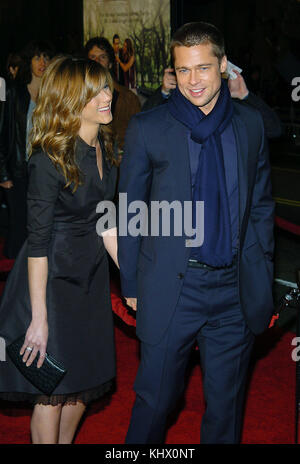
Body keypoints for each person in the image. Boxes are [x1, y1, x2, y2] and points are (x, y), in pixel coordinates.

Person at [118, 22, 275, 444]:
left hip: (233, 292)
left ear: (223, 66)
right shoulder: (149, 128)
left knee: (226, 410)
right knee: (154, 402)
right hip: (173, 287)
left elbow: (261, 205)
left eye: (203, 68)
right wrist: (130, 281)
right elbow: (131, 211)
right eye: (183, 70)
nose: (193, 81)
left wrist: (261, 267)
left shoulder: (250, 126)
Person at [0, 56, 119, 444]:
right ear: (72, 100)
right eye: (97, 91)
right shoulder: (48, 159)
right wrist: (39, 319)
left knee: (84, 382)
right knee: (51, 393)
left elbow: (109, 224)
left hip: (91, 281)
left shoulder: (105, 146)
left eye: (107, 87)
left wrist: (133, 282)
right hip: (50, 281)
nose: (107, 96)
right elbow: (36, 245)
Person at [0, 40, 53, 258]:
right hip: (18, 170)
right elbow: (3, 133)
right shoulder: (14, 92)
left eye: (46, 57)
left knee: (42, 227)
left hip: (46, 170)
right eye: (37, 57)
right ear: (28, 61)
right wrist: (3, 172)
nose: (42, 62)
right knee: (18, 227)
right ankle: (15, 285)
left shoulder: (54, 94)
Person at [142, 66, 282, 139]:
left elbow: (273, 129)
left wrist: (245, 96)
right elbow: (142, 127)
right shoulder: (177, 110)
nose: (195, 80)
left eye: (204, 69)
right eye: (186, 70)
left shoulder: (230, 113)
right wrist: (163, 92)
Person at [85, 37, 141, 151]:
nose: (97, 61)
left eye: (102, 57)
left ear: (110, 64)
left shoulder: (129, 99)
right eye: (92, 57)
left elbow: (138, 137)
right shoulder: (79, 97)